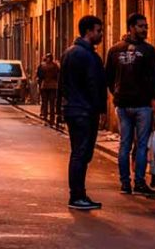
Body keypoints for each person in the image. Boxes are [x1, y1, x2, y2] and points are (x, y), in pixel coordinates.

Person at [105, 13, 155, 196]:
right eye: (141, 26)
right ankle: (137, 182)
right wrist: (152, 97)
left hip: (123, 104)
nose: (145, 30)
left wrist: (117, 94)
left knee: (125, 144)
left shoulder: (115, 50)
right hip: (140, 105)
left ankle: (125, 183)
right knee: (140, 143)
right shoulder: (147, 50)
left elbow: (109, 78)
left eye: (146, 26)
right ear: (131, 27)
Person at [61, 15, 108, 210]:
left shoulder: (69, 53)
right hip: (85, 111)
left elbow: (62, 84)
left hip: (73, 109)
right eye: (98, 30)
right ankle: (77, 196)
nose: (101, 34)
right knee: (81, 154)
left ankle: (79, 194)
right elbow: (94, 84)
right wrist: (100, 109)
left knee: (78, 153)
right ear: (88, 31)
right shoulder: (88, 56)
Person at [36, 53, 61, 126]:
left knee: (46, 102)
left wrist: (41, 81)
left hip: (45, 85)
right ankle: (51, 119)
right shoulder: (55, 66)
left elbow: (39, 75)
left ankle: (47, 118)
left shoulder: (42, 66)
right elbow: (57, 75)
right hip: (52, 85)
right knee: (51, 103)